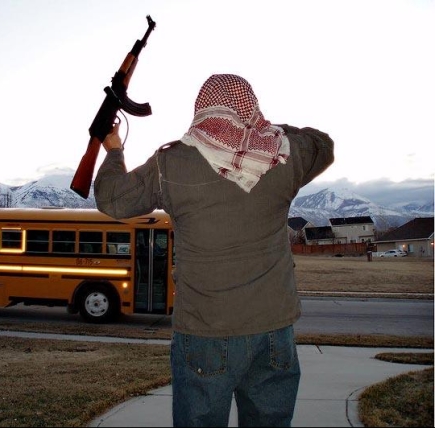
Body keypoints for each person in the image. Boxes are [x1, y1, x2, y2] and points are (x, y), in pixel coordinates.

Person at [94, 74, 334, 427]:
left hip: (204, 333)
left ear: (201, 109)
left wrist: (114, 150)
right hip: (274, 330)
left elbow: (111, 198)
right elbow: (322, 144)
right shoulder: (285, 155)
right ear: (250, 107)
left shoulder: (170, 163)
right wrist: (266, 128)